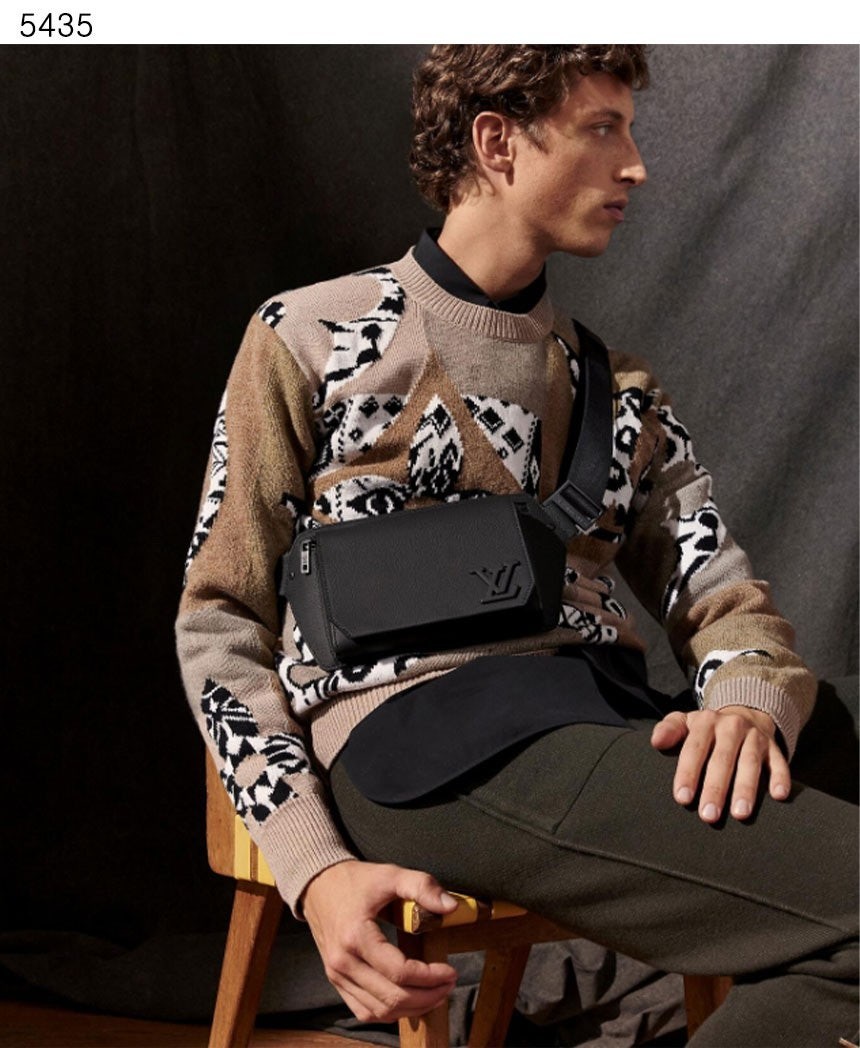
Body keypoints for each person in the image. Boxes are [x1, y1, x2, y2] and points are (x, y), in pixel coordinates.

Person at [176, 45, 858, 1046]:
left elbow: (721, 593)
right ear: (496, 143)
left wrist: (745, 699)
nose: (635, 166)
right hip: (427, 741)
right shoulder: (309, 337)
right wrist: (313, 867)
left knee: (829, 721)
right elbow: (220, 624)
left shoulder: (615, 388)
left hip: (594, 717)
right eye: (601, 129)